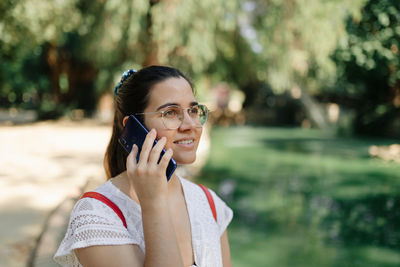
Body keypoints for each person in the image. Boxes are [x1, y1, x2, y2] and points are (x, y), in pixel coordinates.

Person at [54, 66, 233, 267]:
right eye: (171, 113)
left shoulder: (209, 204)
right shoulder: (96, 216)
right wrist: (154, 203)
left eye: (193, 110)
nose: (190, 124)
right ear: (132, 127)